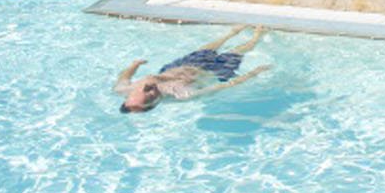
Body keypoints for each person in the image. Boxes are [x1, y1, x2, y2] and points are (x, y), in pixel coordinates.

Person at [115, 26, 271, 113]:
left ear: (129, 96)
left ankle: (231, 33)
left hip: (180, 67)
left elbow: (124, 77)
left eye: (141, 91)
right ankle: (257, 36)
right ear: (156, 102)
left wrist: (134, 65)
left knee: (205, 49)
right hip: (212, 71)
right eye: (150, 96)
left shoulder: (123, 89)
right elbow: (222, 86)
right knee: (237, 52)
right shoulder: (182, 94)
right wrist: (253, 73)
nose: (147, 89)